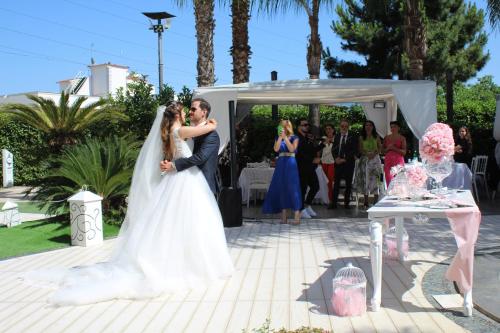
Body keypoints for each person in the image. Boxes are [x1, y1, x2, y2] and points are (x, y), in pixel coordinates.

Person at [24, 101, 234, 305]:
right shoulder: (181, 131)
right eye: (184, 110)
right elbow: (201, 135)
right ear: (177, 115)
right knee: (189, 222)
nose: (187, 112)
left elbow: (188, 149)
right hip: (184, 182)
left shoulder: (172, 132)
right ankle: (193, 265)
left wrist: (174, 160)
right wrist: (212, 124)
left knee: (177, 223)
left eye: (192, 109)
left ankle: (187, 262)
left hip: (179, 180)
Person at [262, 120, 302, 225]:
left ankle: (297, 217)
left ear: (288, 127)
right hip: (281, 163)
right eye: (280, 126)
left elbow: (292, 149)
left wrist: (285, 138)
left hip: (291, 163)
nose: (282, 128)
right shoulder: (278, 137)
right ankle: (283, 218)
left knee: (293, 188)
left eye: (284, 126)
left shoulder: (295, 137)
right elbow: (276, 149)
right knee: (281, 187)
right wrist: (280, 137)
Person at [295, 118, 322, 218]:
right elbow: (300, 154)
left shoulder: (306, 137)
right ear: (299, 127)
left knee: (315, 186)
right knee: (303, 189)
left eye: (307, 125)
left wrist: (322, 145)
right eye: (304, 125)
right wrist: (312, 160)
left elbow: (311, 150)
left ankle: (306, 205)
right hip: (301, 167)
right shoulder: (297, 138)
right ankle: (301, 209)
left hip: (309, 167)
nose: (307, 126)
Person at [353, 120, 383, 209]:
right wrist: (367, 154)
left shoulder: (376, 136)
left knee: (376, 180)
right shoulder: (361, 137)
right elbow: (360, 149)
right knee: (365, 180)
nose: (368, 127)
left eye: (370, 125)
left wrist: (374, 154)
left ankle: (375, 200)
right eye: (366, 125)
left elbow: (380, 148)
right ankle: (366, 201)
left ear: (373, 127)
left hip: (375, 159)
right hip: (365, 159)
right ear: (364, 127)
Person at [331, 119, 358, 209]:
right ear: (340, 127)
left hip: (348, 163)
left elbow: (354, 150)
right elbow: (333, 149)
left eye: (346, 126)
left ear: (348, 127)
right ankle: (334, 203)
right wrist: (336, 158)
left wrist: (344, 159)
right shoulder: (337, 136)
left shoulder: (353, 136)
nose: (344, 128)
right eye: (342, 126)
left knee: (348, 184)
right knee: (336, 184)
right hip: (338, 163)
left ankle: (346, 203)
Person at [383, 121, 406, 187]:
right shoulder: (386, 138)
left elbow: (404, 152)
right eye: (391, 127)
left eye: (394, 127)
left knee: (399, 180)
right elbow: (382, 151)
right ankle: (390, 195)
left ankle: (399, 195)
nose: (392, 128)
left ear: (398, 128)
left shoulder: (402, 138)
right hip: (388, 160)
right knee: (389, 179)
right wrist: (388, 148)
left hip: (399, 161)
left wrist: (393, 148)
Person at [320, 124, 335, 205]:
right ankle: (324, 199)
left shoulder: (336, 138)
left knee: (330, 181)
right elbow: (319, 150)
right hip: (323, 162)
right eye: (326, 129)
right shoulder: (323, 138)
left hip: (332, 162)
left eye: (330, 128)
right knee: (324, 182)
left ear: (333, 130)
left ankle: (330, 200)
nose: (328, 130)